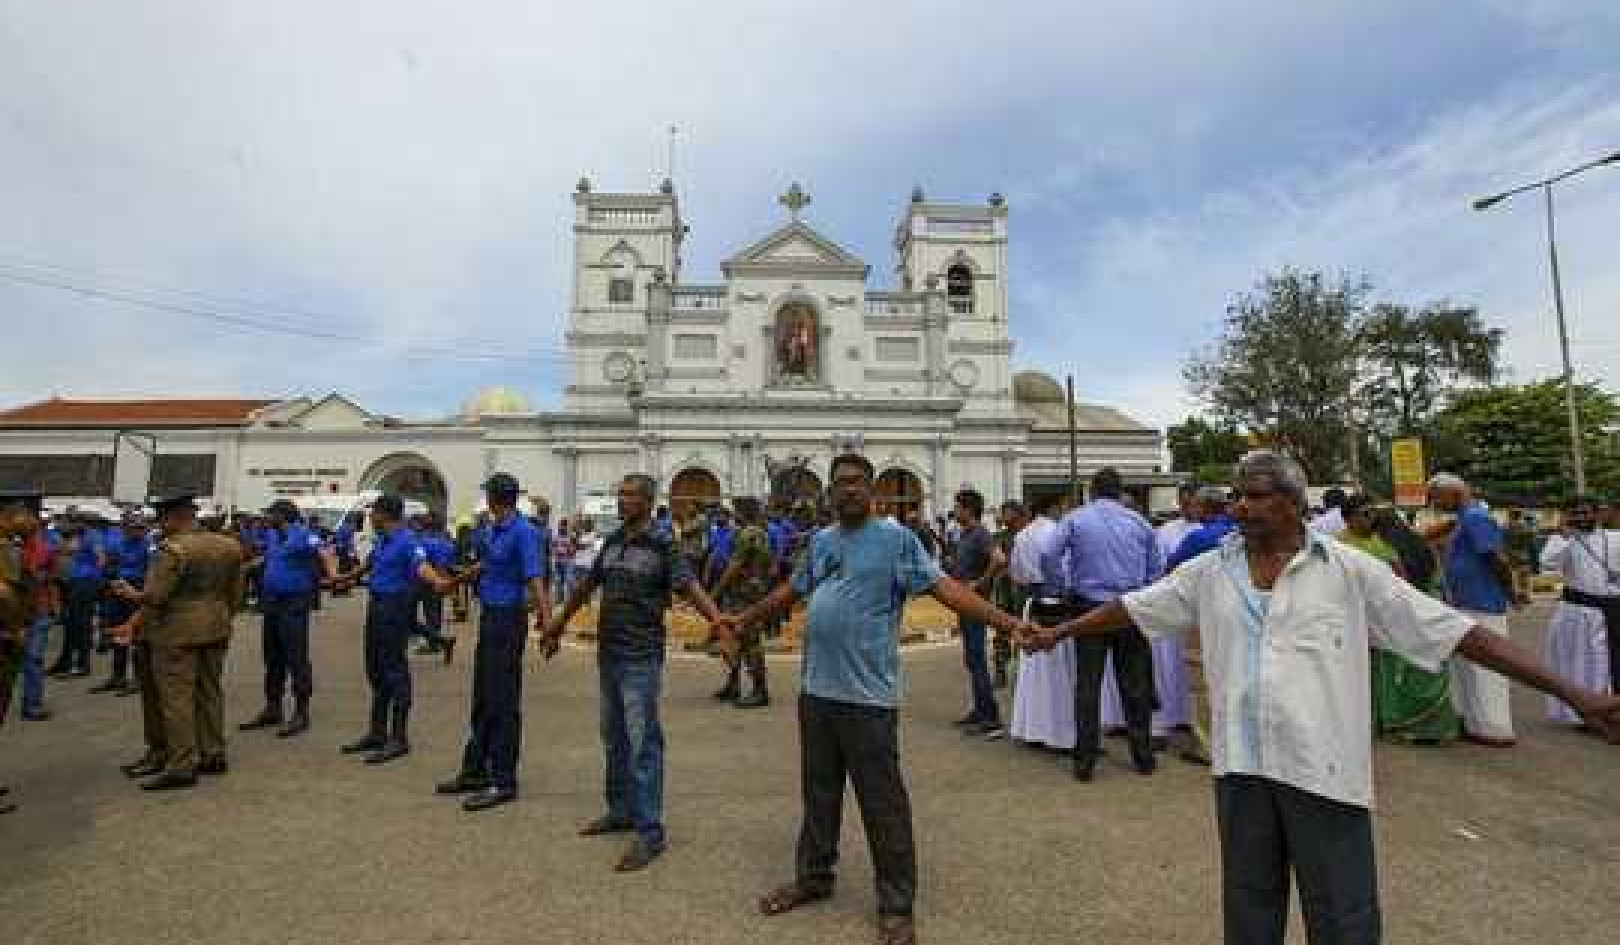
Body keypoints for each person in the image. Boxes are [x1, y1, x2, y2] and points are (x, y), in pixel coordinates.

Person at [1029, 450, 1620, 945]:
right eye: (1237, 495)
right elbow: (1133, 608)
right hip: (1242, 771)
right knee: (1249, 914)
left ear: (1291, 502)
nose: (1240, 505)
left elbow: (1457, 633)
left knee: (1343, 920)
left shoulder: (1349, 572)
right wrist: (1060, 631)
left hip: (1324, 774)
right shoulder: (1210, 571)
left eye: (1255, 495)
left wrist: (1571, 691)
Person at [726, 454, 1026, 945]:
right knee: (819, 793)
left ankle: (896, 903)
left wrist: (1008, 623)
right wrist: (746, 619)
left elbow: (947, 589)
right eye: (838, 483)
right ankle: (813, 878)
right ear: (829, 493)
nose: (846, 490)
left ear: (873, 491)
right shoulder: (822, 541)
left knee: (882, 802)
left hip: (867, 698)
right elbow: (792, 590)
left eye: (856, 483)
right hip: (817, 692)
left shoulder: (896, 540)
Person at [543, 474, 726, 871]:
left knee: (643, 741)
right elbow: (587, 585)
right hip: (608, 653)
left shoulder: (663, 542)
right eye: (620, 494)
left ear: (647, 500)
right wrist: (557, 624)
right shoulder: (614, 540)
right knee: (614, 738)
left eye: (629, 495)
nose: (622, 501)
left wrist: (718, 622)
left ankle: (650, 831)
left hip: (640, 656)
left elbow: (688, 584)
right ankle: (621, 811)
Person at [107, 491, 245, 791]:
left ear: (173, 517)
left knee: (175, 698)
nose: (159, 525)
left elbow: (156, 597)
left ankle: (181, 763)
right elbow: (237, 594)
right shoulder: (229, 545)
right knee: (210, 691)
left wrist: (130, 593)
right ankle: (212, 752)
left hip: (175, 631)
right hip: (216, 626)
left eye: (162, 519)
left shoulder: (171, 550)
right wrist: (222, 615)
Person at [434, 473, 551, 812]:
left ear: (495, 498)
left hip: (507, 621)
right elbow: (485, 565)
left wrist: (547, 624)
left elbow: (535, 578)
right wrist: (453, 581)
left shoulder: (523, 532)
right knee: (483, 698)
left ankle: (503, 780)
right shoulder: (493, 530)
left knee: (502, 701)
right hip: (490, 619)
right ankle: (475, 770)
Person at [1054, 467, 1161, 781]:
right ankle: (1143, 758)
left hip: (1088, 607)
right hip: (1130, 608)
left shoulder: (1075, 519)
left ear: (1092, 490)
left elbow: (1048, 552)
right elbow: (1156, 567)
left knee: (1088, 685)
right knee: (1135, 686)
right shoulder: (1139, 522)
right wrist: (1143, 591)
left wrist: (1061, 583)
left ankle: (1084, 762)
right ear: (1120, 491)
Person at [332, 494, 444, 765]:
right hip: (377, 606)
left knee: (395, 671)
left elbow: (421, 565)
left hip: (395, 608)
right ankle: (377, 732)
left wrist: (439, 582)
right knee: (375, 669)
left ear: (386, 514)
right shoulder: (382, 540)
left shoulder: (408, 541)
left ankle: (399, 737)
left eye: (374, 512)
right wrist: (345, 578)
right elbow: (369, 566)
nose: (370, 517)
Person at [1340, 495, 1458, 744]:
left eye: (1372, 513)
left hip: (1394, 613)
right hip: (1361, 617)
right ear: (1348, 519)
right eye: (1364, 514)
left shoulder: (1384, 541)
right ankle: (1380, 722)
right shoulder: (1339, 546)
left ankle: (1406, 724)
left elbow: (1402, 575)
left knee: (1404, 670)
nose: (1370, 519)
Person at [1426, 472, 1523, 746]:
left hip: (1483, 603)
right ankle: (1472, 722)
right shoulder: (1463, 519)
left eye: (1437, 498)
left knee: (1487, 667)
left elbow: (1496, 559)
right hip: (1466, 604)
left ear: (1453, 493)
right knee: (1468, 668)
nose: (1436, 505)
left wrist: (1510, 593)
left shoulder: (1476, 518)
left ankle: (1494, 729)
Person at [238, 499, 335, 738]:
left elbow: (325, 551)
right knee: (272, 656)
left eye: (271, 514)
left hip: (294, 603)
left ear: (283, 515)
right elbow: (271, 558)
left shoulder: (304, 535)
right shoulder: (272, 535)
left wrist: (333, 574)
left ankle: (301, 712)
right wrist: (245, 567)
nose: (267, 518)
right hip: (271, 602)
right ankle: (273, 708)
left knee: (296, 656)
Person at [1538, 497, 1618, 725]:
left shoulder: (1614, 537)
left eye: (1586, 513)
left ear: (1597, 514)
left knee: (1610, 664)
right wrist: (1562, 535)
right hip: (1579, 613)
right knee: (1582, 665)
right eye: (1574, 514)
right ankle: (1582, 714)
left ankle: (1609, 709)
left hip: (1613, 611)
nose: (1581, 518)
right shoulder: (1563, 541)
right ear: (1565, 516)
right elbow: (1547, 563)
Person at [1008, 491, 1073, 750]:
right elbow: (1067, 573)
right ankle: (1061, 733)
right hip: (1058, 606)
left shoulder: (1022, 535)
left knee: (1034, 674)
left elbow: (1016, 575)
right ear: (1055, 507)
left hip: (1032, 604)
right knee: (1062, 672)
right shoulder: (1058, 533)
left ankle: (1033, 728)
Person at [0, 490, 52, 813]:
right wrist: (15, 627)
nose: (32, 521)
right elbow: (6, 595)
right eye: (25, 513)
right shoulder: (6, 549)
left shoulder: (14, 547)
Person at [711, 496, 774, 708]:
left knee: (749, 640)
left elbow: (735, 565)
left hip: (745, 593)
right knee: (736, 638)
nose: (733, 515)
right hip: (752, 590)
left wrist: (715, 591)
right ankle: (734, 683)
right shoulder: (761, 533)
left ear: (744, 512)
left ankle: (759, 689)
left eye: (737, 510)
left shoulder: (748, 534)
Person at [948, 488, 1002, 738]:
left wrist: (980, 583)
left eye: (958, 507)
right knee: (972, 659)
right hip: (965, 603)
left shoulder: (980, 533)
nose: (955, 511)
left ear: (968, 510)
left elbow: (999, 559)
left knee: (977, 659)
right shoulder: (967, 533)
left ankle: (990, 717)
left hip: (975, 604)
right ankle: (981, 709)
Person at [89, 511, 153, 696]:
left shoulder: (148, 547)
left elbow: (152, 573)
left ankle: (138, 679)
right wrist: (111, 580)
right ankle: (118, 676)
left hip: (137, 590)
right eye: (133, 528)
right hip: (118, 589)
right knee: (118, 632)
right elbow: (109, 566)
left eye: (140, 528)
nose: (137, 531)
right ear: (125, 528)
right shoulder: (118, 544)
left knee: (137, 636)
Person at [8, 494, 58, 723]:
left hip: (36, 610)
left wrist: (53, 606)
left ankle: (32, 705)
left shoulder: (44, 547)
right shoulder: (9, 545)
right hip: (13, 611)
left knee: (33, 658)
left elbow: (46, 578)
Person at [50, 513, 106, 678]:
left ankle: (82, 664)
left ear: (83, 523)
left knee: (80, 624)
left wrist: (92, 572)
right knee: (71, 623)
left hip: (85, 583)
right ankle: (66, 661)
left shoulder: (92, 536)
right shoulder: (80, 536)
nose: (72, 525)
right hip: (77, 582)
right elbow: (68, 550)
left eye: (74, 522)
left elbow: (101, 559)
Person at [413, 512, 458, 661]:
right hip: (440, 580)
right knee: (435, 612)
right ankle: (437, 640)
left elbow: (430, 564)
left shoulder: (424, 542)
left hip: (427, 582)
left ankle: (435, 642)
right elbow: (449, 564)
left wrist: (437, 580)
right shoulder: (447, 542)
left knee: (428, 613)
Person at [1156, 483, 1201, 561]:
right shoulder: (1166, 529)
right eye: (1186, 504)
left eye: (1195, 504)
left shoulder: (1209, 529)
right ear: (1179, 502)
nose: (1191, 509)